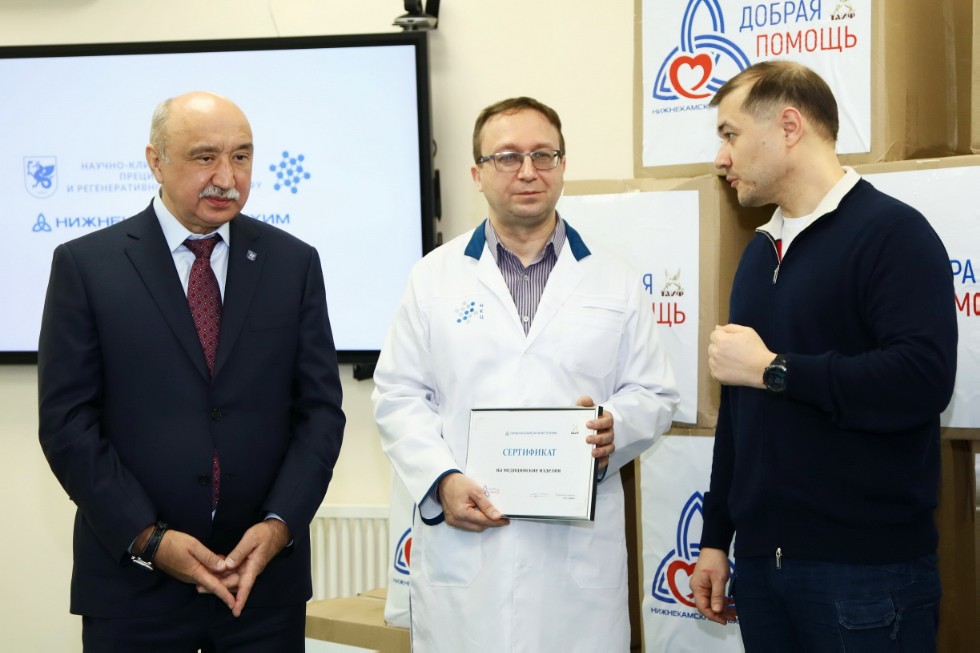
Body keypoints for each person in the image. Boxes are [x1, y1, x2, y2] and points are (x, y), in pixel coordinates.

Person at [38, 91, 346, 652]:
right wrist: (149, 539)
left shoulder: (293, 263)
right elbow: (67, 423)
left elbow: (321, 412)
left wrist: (279, 525)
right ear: (156, 161)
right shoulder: (86, 265)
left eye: (241, 156)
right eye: (205, 157)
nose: (226, 177)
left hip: (261, 588)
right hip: (134, 589)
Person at [372, 96, 679, 652]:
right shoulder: (432, 278)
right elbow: (398, 396)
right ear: (477, 174)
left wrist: (617, 425)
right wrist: (442, 480)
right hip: (469, 550)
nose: (529, 171)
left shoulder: (614, 279)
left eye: (544, 155)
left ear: (563, 165)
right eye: (507, 157)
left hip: (575, 559)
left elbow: (654, 391)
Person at [690, 61, 957, 651]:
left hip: (865, 575)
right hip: (761, 570)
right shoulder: (759, 253)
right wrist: (716, 538)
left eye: (730, 134)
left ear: (789, 127)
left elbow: (922, 379)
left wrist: (773, 370)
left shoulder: (893, 233)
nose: (721, 158)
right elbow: (738, 411)